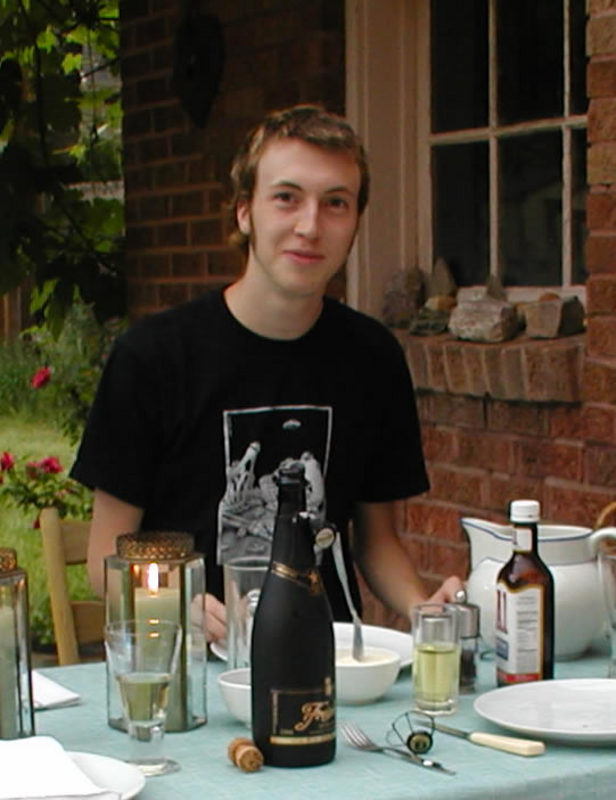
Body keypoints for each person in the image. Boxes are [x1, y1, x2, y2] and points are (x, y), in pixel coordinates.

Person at [70, 104, 462, 642]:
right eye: (286, 198)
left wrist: (425, 612)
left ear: (355, 222)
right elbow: (105, 562)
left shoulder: (373, 357)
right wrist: (173, 602)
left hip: (325, 659)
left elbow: (376, 543)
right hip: (193, 664)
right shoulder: (152, 357)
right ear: (244, 212)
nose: (310, 226)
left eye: (336, 203)